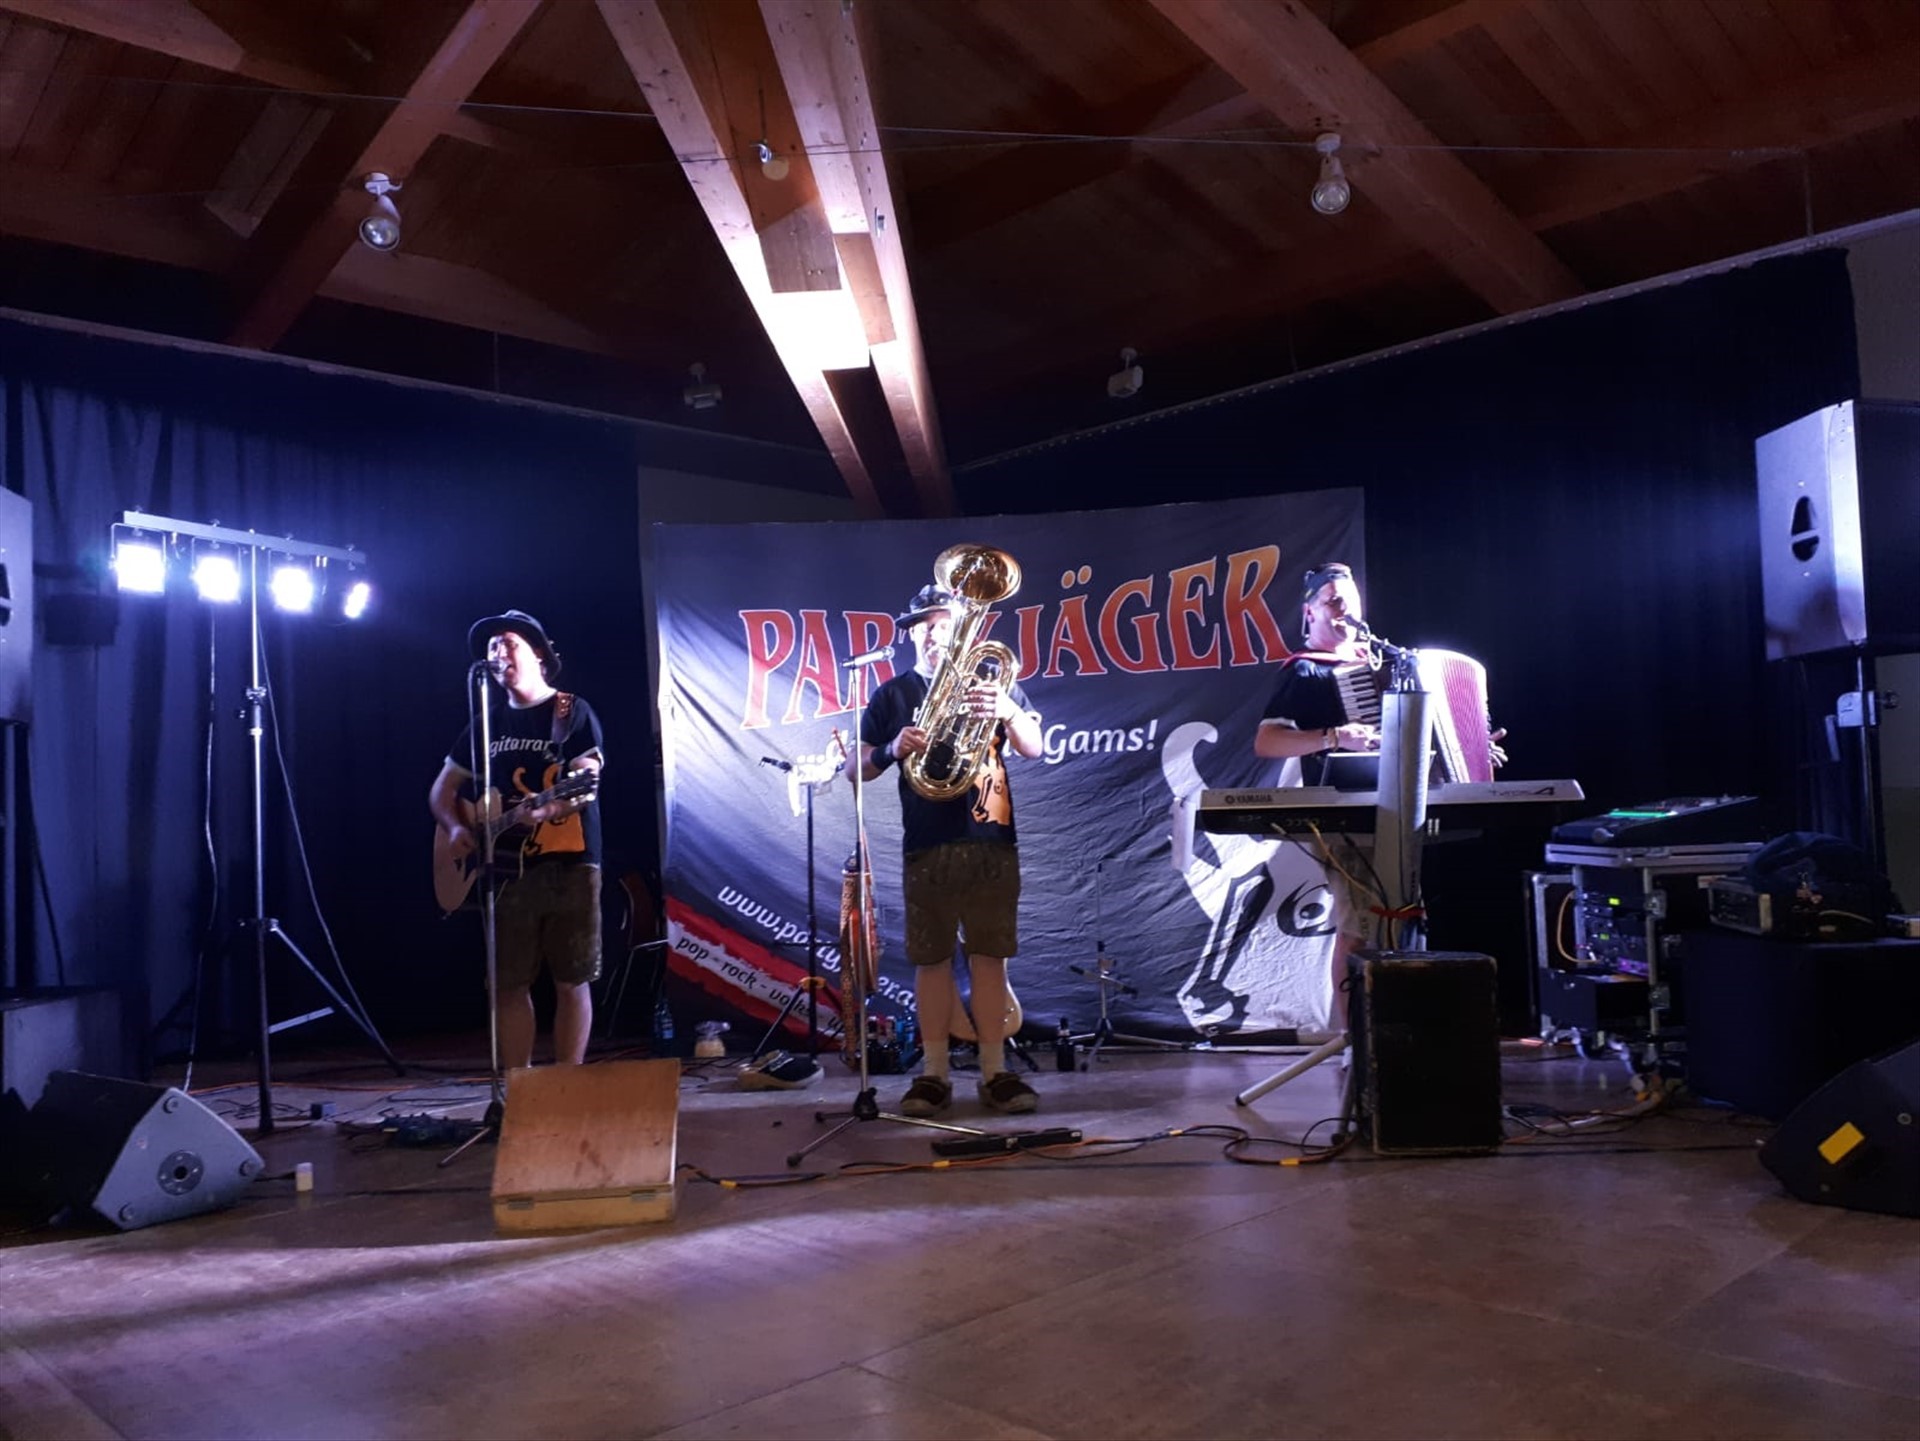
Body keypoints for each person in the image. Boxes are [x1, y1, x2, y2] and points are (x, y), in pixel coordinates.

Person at [847, 580, 1045, 1116]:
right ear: (912, 635)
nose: (934, 636)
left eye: (944, 626)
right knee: (930, 959)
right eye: (924, 628)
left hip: (991, 840)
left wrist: (1007, 709)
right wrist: (890, 749)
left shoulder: (993, 682)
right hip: (927, 842)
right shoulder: (892, 695)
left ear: (964, 632)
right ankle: (934, 1074)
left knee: (990, 958)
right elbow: (854, 769)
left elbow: (1034, 747)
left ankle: (995, 1072)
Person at [429, 610, 605, 1069]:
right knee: (507, 983)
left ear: (539, 654)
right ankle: (518, 1087)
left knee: (572, 978)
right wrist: (456, 828)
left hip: (571, 862)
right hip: (504, 871)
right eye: (492, 646)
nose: (497, 652)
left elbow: (586, 780)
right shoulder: (485, 725)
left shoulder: (570, 711)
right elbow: (441, 791)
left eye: (508, 643)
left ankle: (567, 1083)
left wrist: (547, 810)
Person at [1253, 563, 1381, 1033]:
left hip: (1392, 809)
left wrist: (1466, 748)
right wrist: (1334, 736)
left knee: (1396, 919)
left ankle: (1388, 1033)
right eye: (1332, 600)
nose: (1344, 608)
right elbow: (1267, 742)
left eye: (1350, 599)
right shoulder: (1306, 671)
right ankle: (1353, 1042)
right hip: (1344, 814)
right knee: (1359, 926)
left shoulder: (1379, 663)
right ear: (1310, 612)